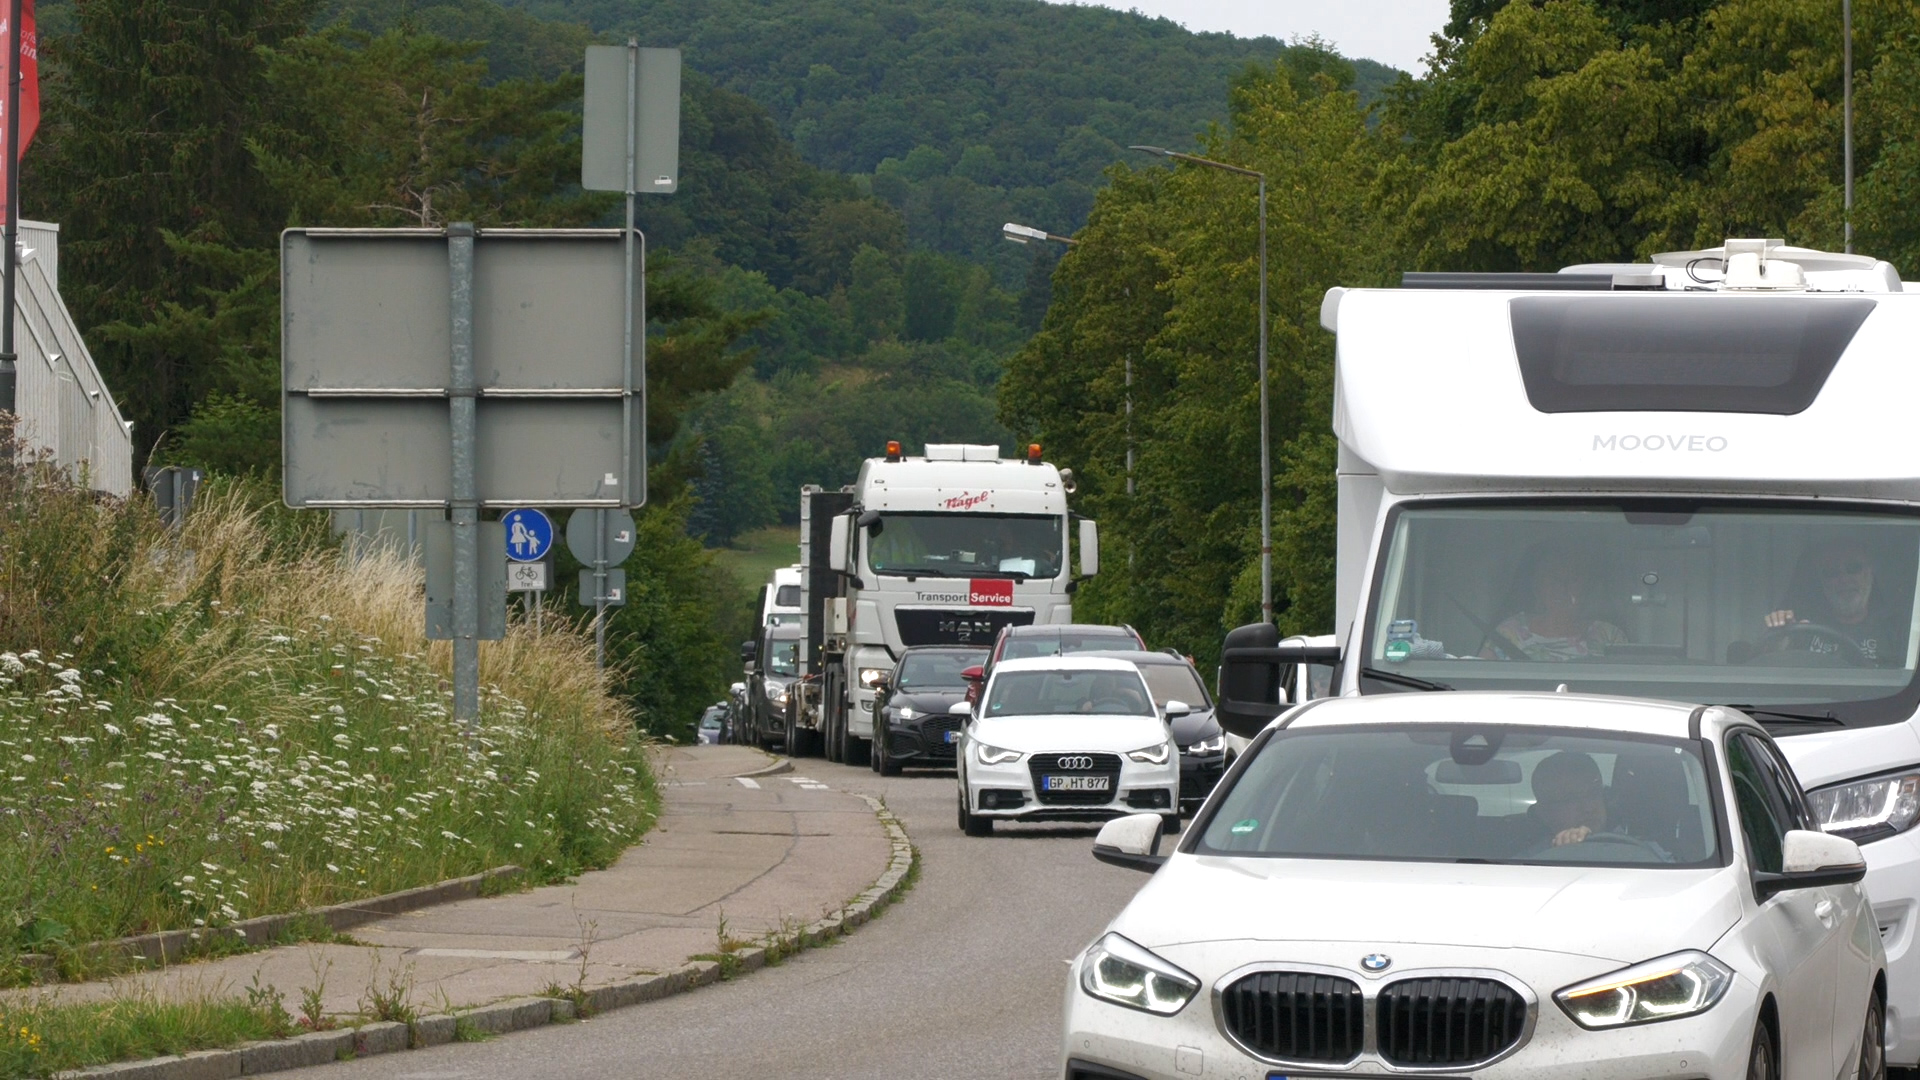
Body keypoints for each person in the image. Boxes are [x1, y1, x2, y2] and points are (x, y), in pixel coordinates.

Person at [1761, 538, 1907, 664]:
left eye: (1853, 568)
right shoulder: (1801, 628)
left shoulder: (1897, 631)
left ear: (1870, 572)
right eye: (1831, 572)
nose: (1843, 579)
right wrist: (1779, 639)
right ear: (1821, 582)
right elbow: (1776, 676)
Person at [1483, 549, 1627, 661]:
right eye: (1554, 579)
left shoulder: (1609, 635)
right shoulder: (1508, 632)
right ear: (1537, 587)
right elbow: (1484, 682)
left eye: (1572, 579)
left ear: (1586, 587)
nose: (1562, 588)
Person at [1529, 751, 1609, 847]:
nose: (1589, 808)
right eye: (1571, 799)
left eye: (1593, 793)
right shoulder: (1531, 859)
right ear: (1544, 812)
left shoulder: (1630, 843)